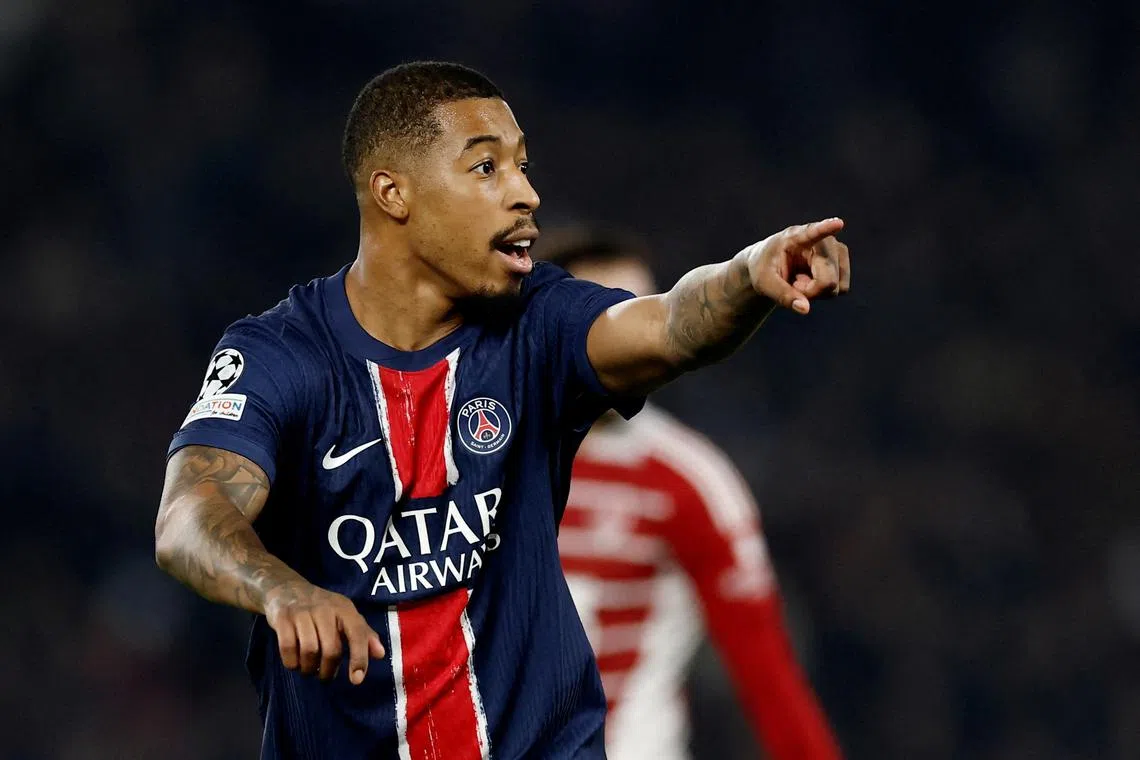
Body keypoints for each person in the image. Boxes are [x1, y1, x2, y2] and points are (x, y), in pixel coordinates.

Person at [154, 61, 851, 760]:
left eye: (522, 166)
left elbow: (668, 325)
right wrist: (280, 588)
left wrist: (749, 275)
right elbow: (190, 513)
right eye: (486, 168)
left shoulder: (538, 324)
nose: (525, 194)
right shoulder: (282, 354)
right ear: (394, 193)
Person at [546, 232, 842, 760]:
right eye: (606, 319)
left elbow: (766, 675)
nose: (631, 339)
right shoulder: (480, 452)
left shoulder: (689, 482)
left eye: (642, 314)